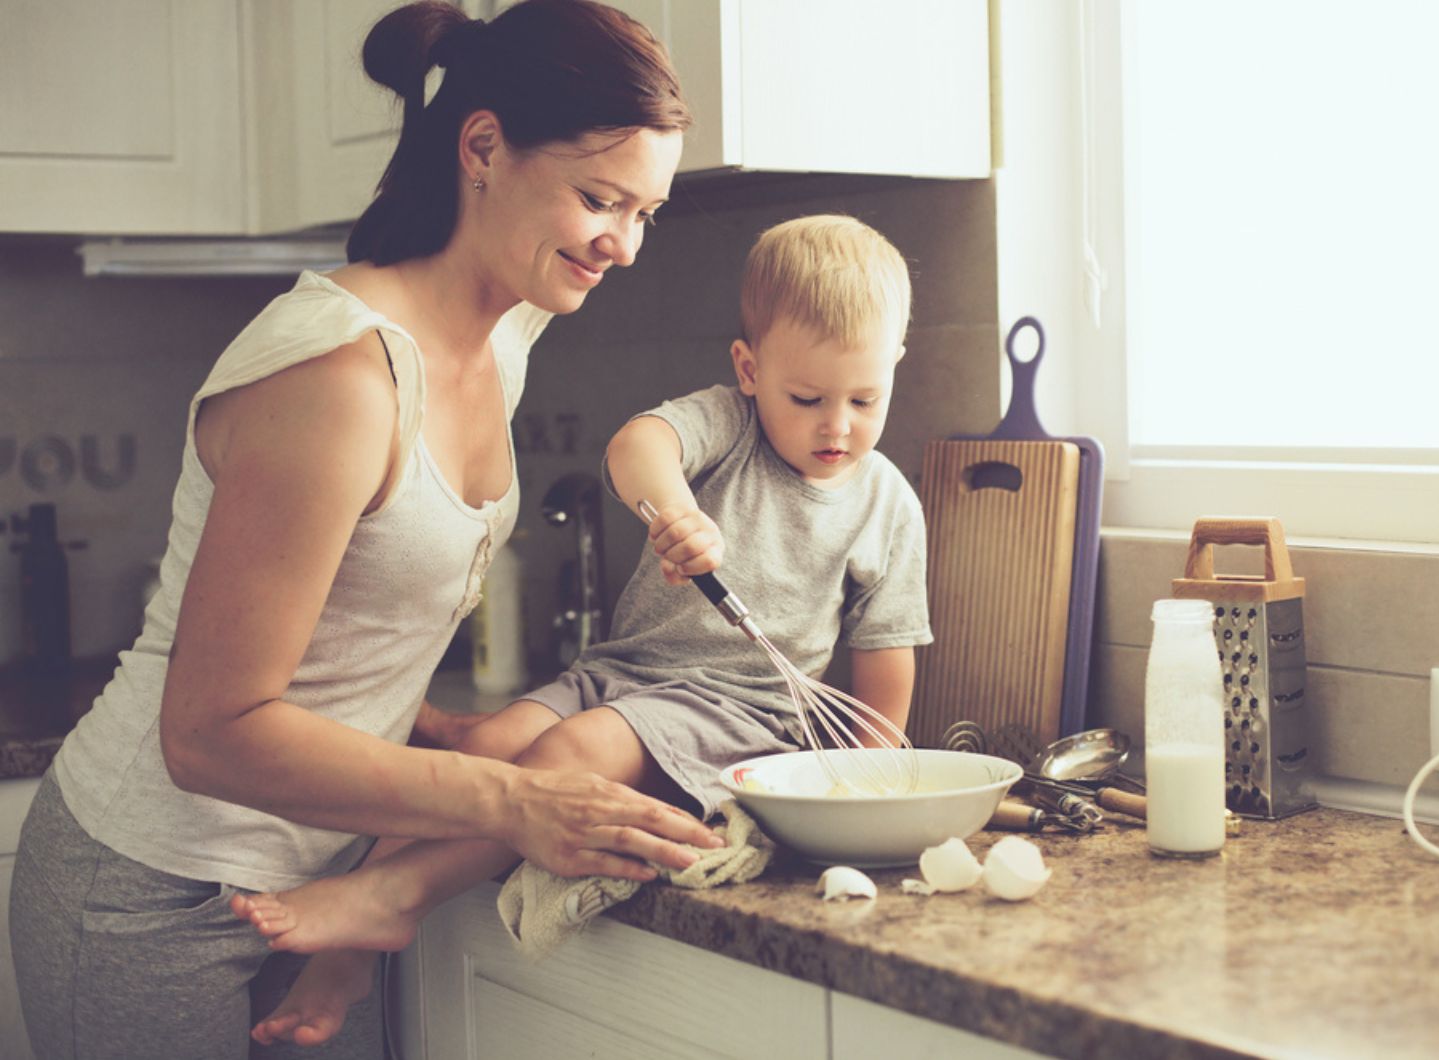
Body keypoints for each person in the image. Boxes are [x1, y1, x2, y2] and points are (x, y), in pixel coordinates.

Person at [7, 3, 726, 1058]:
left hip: (328, 879)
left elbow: (344, 624)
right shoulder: (340, 376)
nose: (621, 244)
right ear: (480, 147)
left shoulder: (508, 327)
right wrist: (512, 799)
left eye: (647, 211)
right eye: (597, 198)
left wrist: (437, 729)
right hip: (150, 893)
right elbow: (208, 728)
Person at [228, 212, 933, 1034]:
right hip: (623, 673)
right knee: (487, 753)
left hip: (743, 713)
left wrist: (862, 799)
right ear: (748, 368)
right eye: (806, 397)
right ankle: (345, 959)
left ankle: (394, 893)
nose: (837, 425)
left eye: (865, 398)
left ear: (895, 371)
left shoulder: (888, 505)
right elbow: (638, 445)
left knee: (568, 758)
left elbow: (886, 687)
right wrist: (671, 509)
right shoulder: (726, 427)